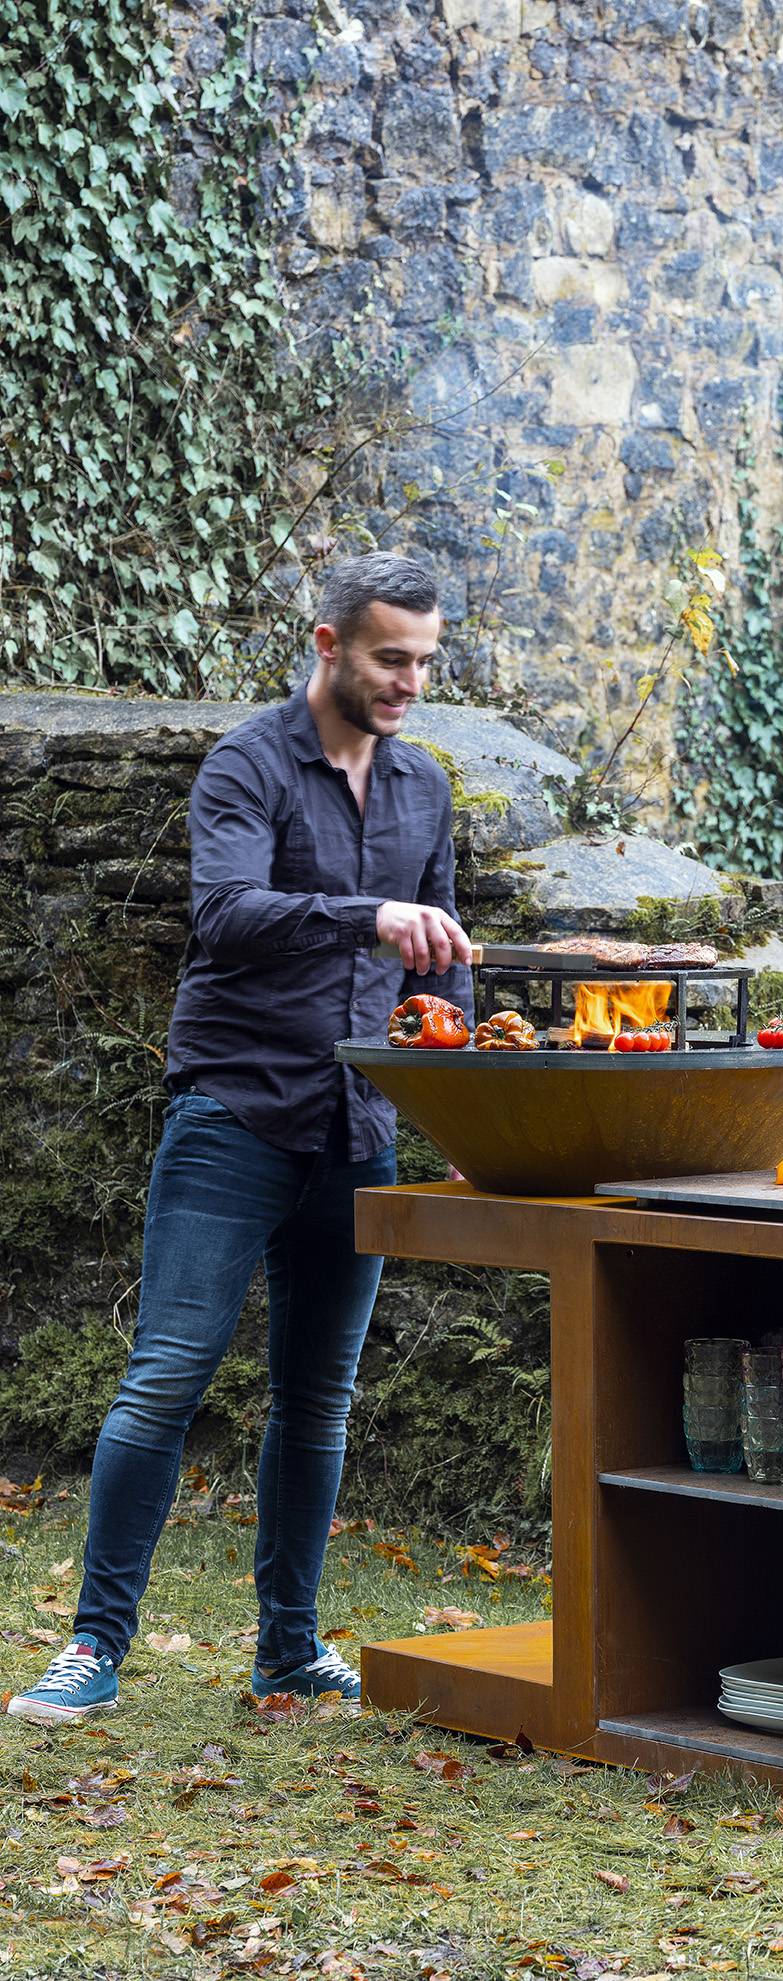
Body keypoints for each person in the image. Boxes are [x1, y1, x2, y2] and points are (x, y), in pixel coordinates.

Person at [7, 554, 473, 1723]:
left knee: (318, 1399)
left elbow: (445, 975)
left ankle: (289, 1648)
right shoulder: (247, 764)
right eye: (389, 657)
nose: (410, 679)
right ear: (327, 645)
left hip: (358, 1128)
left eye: (425, 659)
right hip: (234, 1113)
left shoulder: (423, 788)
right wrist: (364, 915)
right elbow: (224, 913)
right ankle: (92, 1648)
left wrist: (471, 1112)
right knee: (164, 1380)